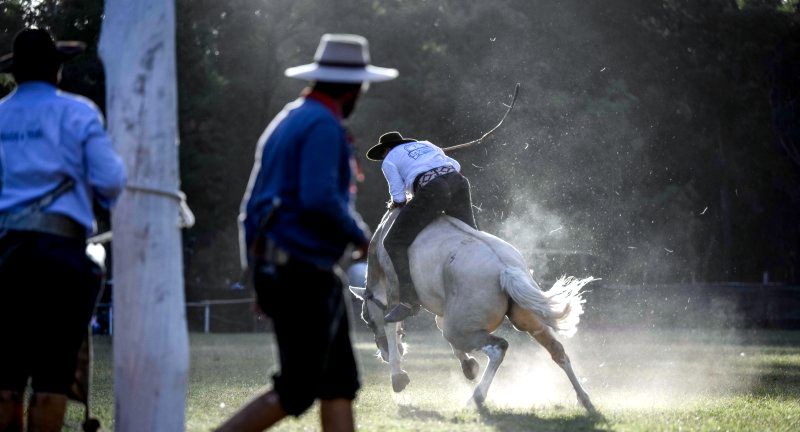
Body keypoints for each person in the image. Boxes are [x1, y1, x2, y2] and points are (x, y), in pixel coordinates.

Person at [218, 34, 397, 432]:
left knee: (338, 385)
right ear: (353, 87)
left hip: (299, 270)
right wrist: (363, 235)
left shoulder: (290, 118)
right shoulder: (322, 125)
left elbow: (250, 208)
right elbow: (320, 198)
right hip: (302, 273)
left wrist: (257, 273)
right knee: (297, 389)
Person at [0, 29, 126, 432]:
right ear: (56, 68)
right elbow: (111, 181)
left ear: (15, 73)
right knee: (52, 378)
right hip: (59, 255)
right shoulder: (79, 113)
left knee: (4, 379)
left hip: (4, 255)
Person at [365, 132, 478, 322]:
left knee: (393, 242)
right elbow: (456, 166)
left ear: (385, 150)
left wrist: (402, 200)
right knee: (472, 236)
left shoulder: (389, 160)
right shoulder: (427, 144)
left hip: (433, 190)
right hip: (458, 184)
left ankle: (409, 301)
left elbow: (399, 197)